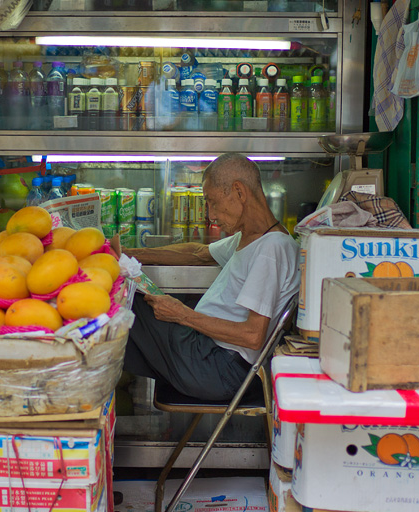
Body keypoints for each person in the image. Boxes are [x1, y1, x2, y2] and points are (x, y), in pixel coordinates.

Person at [121, 153, 299, 401]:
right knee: (128, 307)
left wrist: (182, 314)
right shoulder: (249, 237)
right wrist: (127, 253)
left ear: (239, 192)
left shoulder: (272, 249)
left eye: (212, 202)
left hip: (218, 367)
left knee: (122, 298)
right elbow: (198, 253)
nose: (211, 215)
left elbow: (253, 335)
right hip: (207, 356)